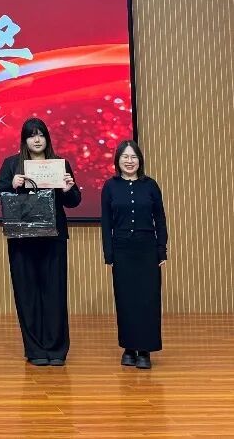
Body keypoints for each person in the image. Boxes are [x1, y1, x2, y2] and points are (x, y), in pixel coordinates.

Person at [0, 118, 81, 367]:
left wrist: (68, 189)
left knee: (55, 292)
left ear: (47, 138)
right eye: (32, 135)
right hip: (22, 239)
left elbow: (74, 201)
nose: (37, 139)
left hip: (53, 238)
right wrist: (12, 185)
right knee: (27, 293)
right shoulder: (12, 164)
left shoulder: (60, 163)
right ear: (25, 140)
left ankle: (57, 349)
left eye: (41, 134)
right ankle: (34, 349)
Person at [101, 140, 167, 370]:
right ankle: (129, 348)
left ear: (140, 160)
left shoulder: (150, 185)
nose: (129, 161)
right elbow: (106, 223)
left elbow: (160, 219)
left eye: (134, 157)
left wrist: (161, 249)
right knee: (126, 300)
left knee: (148, 300)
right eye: (125, 157)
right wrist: (109, 254)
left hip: (147, 249)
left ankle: (145, 350)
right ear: (117, 160)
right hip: (122, 250)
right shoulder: (110, 186)